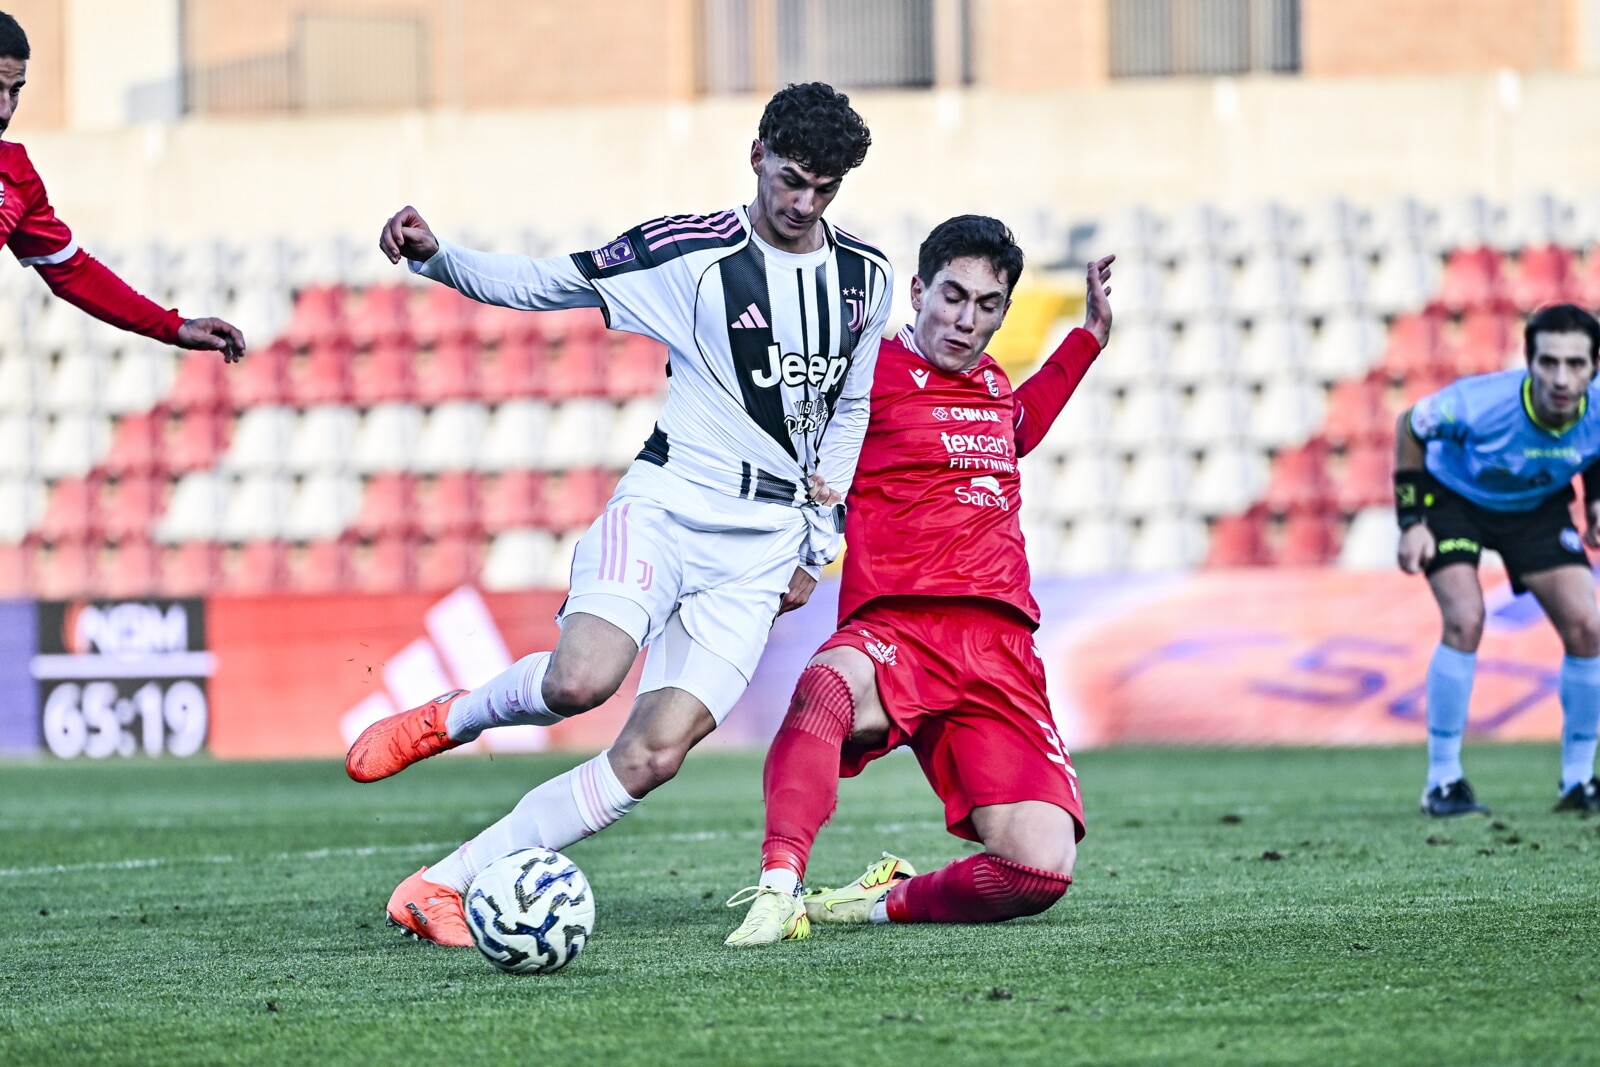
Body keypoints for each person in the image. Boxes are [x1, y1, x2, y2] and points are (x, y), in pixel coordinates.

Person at [348, 82, 894, 946]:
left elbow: (851, 410)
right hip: (670, 506)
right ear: (757, 155)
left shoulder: (867, 277)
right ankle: (448, 718)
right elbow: (549, 284)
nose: (804, 203)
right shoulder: (688, 254)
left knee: (651, 756)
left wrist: (817, 544)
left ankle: (440, 884)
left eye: (824, 189)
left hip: (763, 549)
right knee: (579, 681)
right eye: (791, 180)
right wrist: (438, 257)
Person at [724, 215, 1112, 946]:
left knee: (1038, 870)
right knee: (825, 687)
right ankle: (778, 889)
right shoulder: (860, 375)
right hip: (898, 626)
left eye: (987, 305)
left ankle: (875, 902)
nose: (966, 320)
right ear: (917, 291)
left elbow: (1020, 426)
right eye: (953, 296)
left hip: (1000, 651)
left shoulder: (993, 384)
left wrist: (1087, 338)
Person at [1396, 303, 1600, 818]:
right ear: (1528, 362)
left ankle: (1579, 781)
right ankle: (1443, 782)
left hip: (1535, 507)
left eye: (1575, 364)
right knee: (1465, 619)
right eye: (1548, 362)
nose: (1561, 378)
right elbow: (1410, 426)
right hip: (1453, 499)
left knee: (1589, 627)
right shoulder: (1478, 402)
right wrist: (1411, 521)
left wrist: (1596, 500)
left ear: (1595, 367)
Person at [0, 12, 244, 361]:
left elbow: (73, 272)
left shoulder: (14, 175)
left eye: (14, 91)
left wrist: (173, 326)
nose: (6, 111)